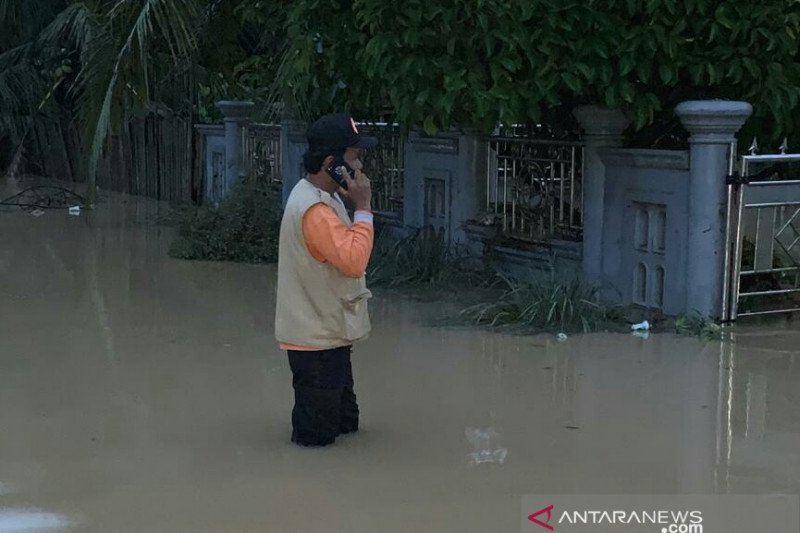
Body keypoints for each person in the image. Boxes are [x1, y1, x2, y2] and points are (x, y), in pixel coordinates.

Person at [275, 113, 377, 447]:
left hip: (329, 337)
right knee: (316, 441)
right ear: (332, 163)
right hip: (316, 343)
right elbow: (353, 262)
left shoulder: (325, 198)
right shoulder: (315, 210)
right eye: (354, 157)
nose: (359, 164)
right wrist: (363, 208)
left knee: (346, 426)